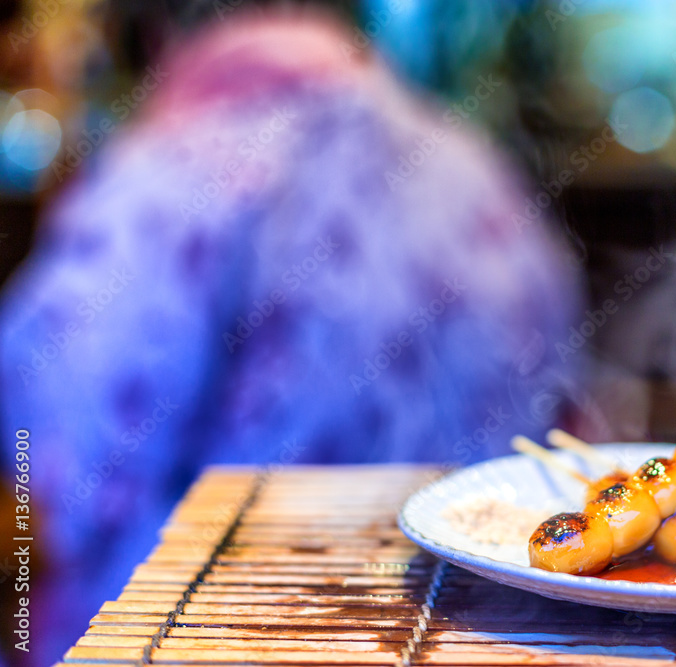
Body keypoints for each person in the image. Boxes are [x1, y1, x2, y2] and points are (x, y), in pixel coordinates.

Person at [0, 10, 579, 664]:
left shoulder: (161, 178)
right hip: (483, 634)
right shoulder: (475, 168)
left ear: (161, 34)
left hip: (214, 637)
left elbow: (54, 458)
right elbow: (560, 419)